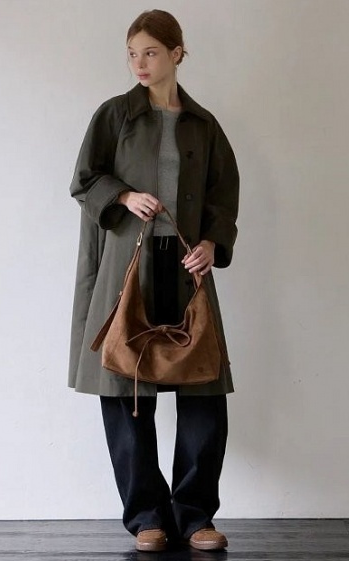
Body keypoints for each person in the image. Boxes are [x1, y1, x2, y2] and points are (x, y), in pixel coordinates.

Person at [68, 9, 239, 553]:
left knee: (203, 388)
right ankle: (147, 517)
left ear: (177, 54)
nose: (139, 63)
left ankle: (195, 516)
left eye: (151, 52)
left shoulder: (203, 124)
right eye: (132, 53)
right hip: (129, 266)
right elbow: (84, 180)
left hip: (186, 267)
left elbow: (222, 194)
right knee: (125, 387)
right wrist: (123, 195)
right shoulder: (115, 115)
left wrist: (211, 243)